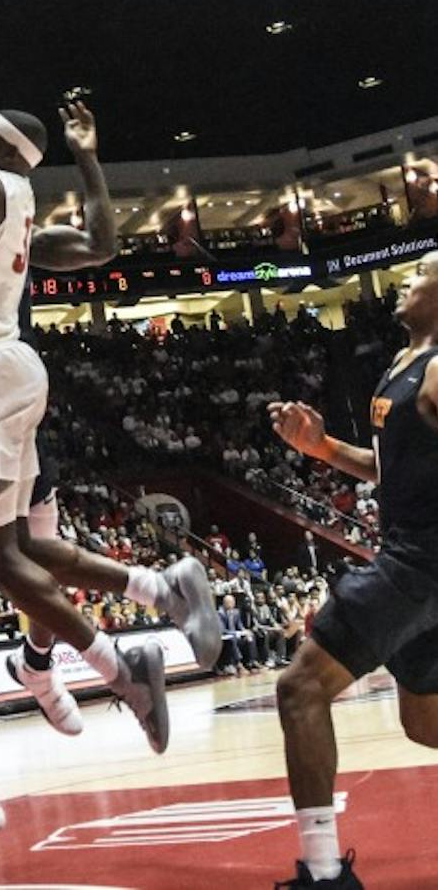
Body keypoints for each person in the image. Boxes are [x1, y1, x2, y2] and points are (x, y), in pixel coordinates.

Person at [0, 0, 220, 829]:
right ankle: (160, 590)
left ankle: (123, 670)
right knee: (24, 550)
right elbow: (108, 239)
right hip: (13, 369)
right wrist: (88, 156)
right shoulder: (19, 205)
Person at [267, 250, 438, 889]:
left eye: (422, 273)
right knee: (425, 724)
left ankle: (323, 873)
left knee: (299, 689)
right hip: (421, 565)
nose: (408, 279)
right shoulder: (403, 366)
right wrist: (320, 448)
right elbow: (389, 467)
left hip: (418, 562)